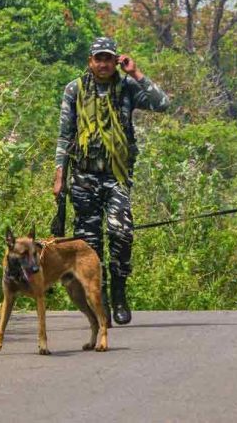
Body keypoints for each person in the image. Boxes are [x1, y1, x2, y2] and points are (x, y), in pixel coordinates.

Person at [54, 37, 170, 325]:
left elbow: (163, 104)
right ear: (89, 61)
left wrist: (136, 72)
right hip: (83, 177)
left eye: (109, 58)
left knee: (121, 234)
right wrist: (60, 175)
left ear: (115, 60)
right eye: (98, 58)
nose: (103, 64)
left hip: (117, 176)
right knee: (89, 244)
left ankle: (119, 294)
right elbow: (64, 135)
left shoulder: (126, 87)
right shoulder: (75, 89)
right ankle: (100, 300)